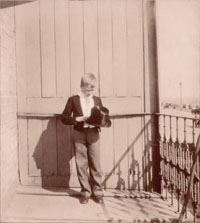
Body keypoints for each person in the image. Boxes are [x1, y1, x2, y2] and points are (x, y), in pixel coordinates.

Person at [61, 73, 110, 204]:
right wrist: (77, 119)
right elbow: (64, 117)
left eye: (92, 89)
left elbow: (102, 117)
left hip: (94, 133)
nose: (90, 92)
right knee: (81, 163)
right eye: (88, 89)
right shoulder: (73, 99)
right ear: (81, 86)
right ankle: (85, 192)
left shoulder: (97, 100)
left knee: (95, 162)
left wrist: (99, 121)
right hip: (79, 133)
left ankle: (97, 191)